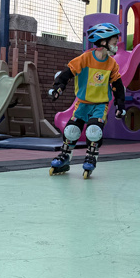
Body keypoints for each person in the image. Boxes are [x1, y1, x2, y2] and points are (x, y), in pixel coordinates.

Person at [48, 22, 127, 178]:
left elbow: (118, 86)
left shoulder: (112, 64)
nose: (116, 45)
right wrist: (58, 88)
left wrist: (120, 105)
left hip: (100, 104)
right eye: (114, 42)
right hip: (82, 103)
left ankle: (91, 156)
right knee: (71, 131)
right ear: (103, 42)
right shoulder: (84, 59)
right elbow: (67, 74)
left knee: (94, 131)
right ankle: (65, 156)